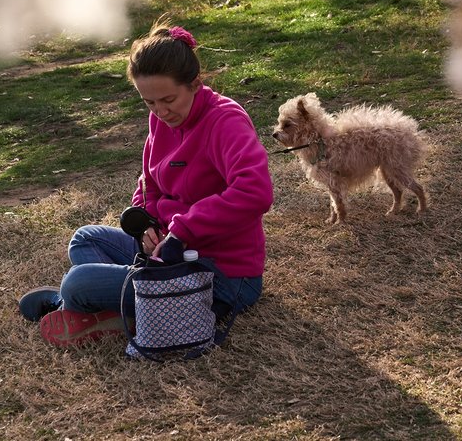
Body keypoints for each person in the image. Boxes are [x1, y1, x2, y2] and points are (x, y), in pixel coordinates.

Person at [17, 24, 273, 348]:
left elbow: (255, 192)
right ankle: (137, 300)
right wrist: (146, 224)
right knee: (84, 239)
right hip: (166, 252)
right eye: (149, 102)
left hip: (222, 274)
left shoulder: (226, 121)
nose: (161, 112)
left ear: (195, 83)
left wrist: (182, 231)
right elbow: (149, 181)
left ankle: (78, 302)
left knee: (77, 282)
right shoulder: (161, 119)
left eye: (168, 100)